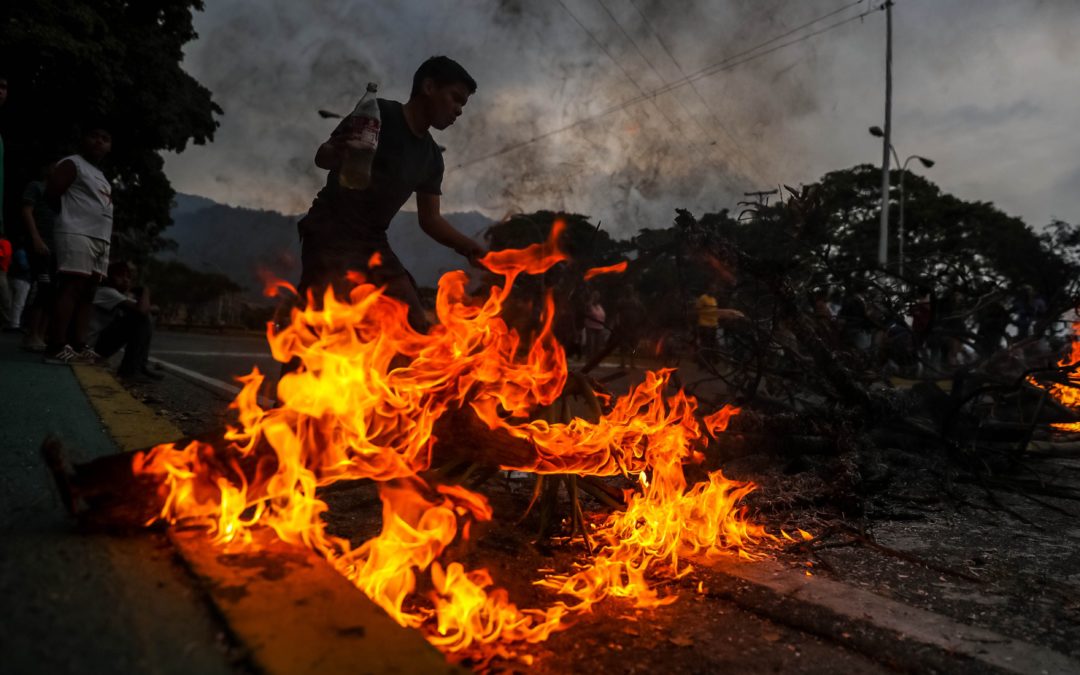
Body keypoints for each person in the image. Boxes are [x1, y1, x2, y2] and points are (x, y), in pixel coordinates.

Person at [296, 56, 485, 332]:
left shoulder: (432, 158)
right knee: (320, 326)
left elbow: (430, 220)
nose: (458, 110)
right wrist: (336, 152)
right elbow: (322, 157)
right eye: (455, 98)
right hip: (330, 231)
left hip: (372, 242)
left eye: (462, 105)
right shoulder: (377, 114)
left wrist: (471, 247)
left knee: (415, 324)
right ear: (429, 87)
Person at [43, 122, 114, 364]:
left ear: (110, 146)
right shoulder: (73, 163)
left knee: (88, 293)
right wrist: (70, 221)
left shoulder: (102, 176)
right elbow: (51, 195)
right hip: (77, 233)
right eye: (94, 136)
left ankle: (78, 345)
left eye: (104, 138)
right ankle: (55, 346)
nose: (99, 141)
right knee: (71, 287)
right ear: (83, 139)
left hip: (100, 239)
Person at [90, 260, 161, 382]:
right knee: (140, 317)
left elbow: (156, 309)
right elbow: (143, 310)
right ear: (107, 276)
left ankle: (140, 366)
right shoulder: (106, 291)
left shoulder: (116, 294)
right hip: (90, 348)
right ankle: (129, 371)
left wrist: (145, 306)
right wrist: (145, 289)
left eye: (128, 277)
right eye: (120, 275)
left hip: (96, 347)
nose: (125, 280)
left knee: (142, 316)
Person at [19, 161, 60, 351]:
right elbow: (27, 211)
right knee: (42, 287)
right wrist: (36, 239)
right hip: (40, 244)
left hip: (55, 248)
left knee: (52, 292)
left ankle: (41, 335)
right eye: (56, 167)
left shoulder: (59, 195)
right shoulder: (36, 186)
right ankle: (32, 334)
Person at [583, 290, 607, 360]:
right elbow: (587, 309)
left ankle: (595, 359)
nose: (597, 298)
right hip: (591, 326)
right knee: (591, 344)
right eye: (595, 296)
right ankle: (589, 359)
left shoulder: (599, 306)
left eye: (598, 296)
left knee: (598, 345)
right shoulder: (589, 305)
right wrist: (591, 299)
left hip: (600, 327)